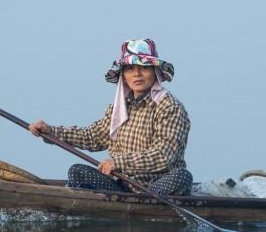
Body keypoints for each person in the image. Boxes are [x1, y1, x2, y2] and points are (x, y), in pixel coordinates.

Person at [28, 38, 193, 195]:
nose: (137, 74)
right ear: (124, 77)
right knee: (77, 171)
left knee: (182, 176)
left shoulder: (169, 107)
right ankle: (120, 204)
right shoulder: (119, 108)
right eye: (129, 69)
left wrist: (118, 163)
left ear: (155, 72)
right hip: (121, 187)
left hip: (156, 189)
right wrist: (52, 132)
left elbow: (164, 156)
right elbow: (93, 137)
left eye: (143, 67)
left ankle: (144, 208)